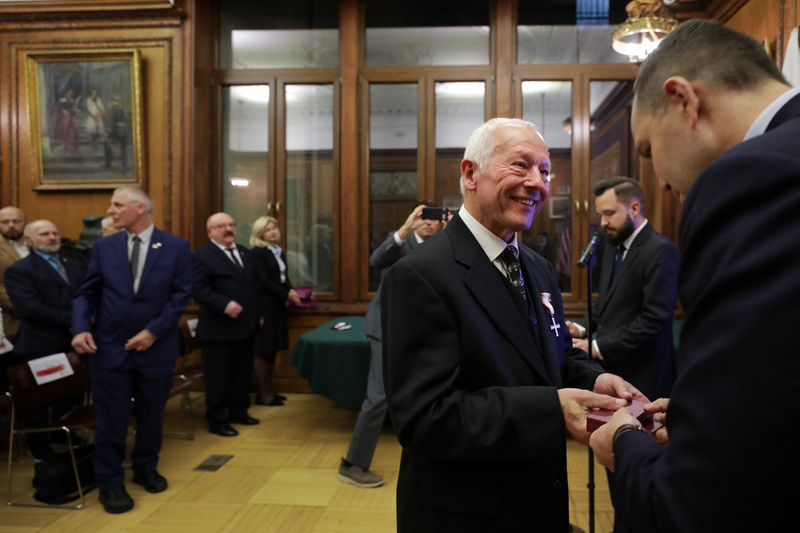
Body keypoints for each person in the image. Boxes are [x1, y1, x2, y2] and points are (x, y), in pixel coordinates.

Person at [588, 19, 800, 533]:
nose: (657, 176)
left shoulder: (747, 178)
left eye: (646, 149)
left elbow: (696, 501)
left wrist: (621, 439)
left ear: (684, 101)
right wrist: (695, 411)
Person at [381, 117, 643, 532]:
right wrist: (551, 411)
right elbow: (424, 418)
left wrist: (595, 380)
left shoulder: (537, 268)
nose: (538, 183)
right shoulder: (420, 276)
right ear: (471, 173)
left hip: (539, 500)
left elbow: (548, 357)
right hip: (466, 513)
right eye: (520, 166)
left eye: (545, 170)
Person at [567, 176, 679, 533]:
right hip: (615, 381)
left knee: (639, 480)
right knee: (616, 473)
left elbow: (653, 319)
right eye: (600, 214)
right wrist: (582, 329)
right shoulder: (615, 248)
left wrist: (596, 347)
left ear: (634, 208)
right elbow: (609, 306)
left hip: (646, 381)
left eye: (609, 213)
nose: (602, 223)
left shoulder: (660, 250)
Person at [72, 186, 192, 514]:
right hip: (109, 348)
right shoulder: (104, 247)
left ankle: (145, 468)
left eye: (117, 205)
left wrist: (153, 331)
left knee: (152, 415)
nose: (110, 211)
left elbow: (180, 295)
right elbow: (86, 294)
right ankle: (110, 483)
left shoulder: (176, 246)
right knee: (111, 419)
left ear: (140, 208)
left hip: (156, 349)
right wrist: (81, 326)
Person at [338, 201, 444, 489]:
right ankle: (353, 464)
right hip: (387, 330)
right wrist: (405, 229)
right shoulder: (400, 243)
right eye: (423, 216)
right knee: (379, 398)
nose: (429, 222)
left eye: (435, 218)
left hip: (421, 334)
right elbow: (376, 261)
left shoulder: (444, 247)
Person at [6, 220, 85, 460]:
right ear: (29, 240)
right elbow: (30, 309)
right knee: (39, 402)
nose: (52, 237)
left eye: (55, 232)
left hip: (71, 341)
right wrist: (75, 319)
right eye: (44, 234)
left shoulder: (72, 265)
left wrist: (84, 318)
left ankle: (62, 434)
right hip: (41, 344)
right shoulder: (20, 270)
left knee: (69, 396)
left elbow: (84, 296)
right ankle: (39, 446)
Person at [192, 212, 263, 437]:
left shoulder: (245, 253)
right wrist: (224, 305)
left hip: (246, 326)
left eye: (231, 224)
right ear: (210, 231)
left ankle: (238, 412)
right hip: (218, 329)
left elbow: (254, 286)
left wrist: (258, 313)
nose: (228, 229)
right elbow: (198, 289)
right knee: (218, 378)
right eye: (221, 226)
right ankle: (217, 420)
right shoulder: (201, 256)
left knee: (242, 374)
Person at [249, 215, 300, 406]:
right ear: (260, 233)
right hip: (264, 306)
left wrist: (291, 291)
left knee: (272, 350)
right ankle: (262, 394)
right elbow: (263, 280)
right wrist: (285, 294)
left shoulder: (277, 251)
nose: (273, 232)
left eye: (274, 228)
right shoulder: (258, 252)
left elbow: (282, 277)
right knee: (263, 350)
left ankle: (269, 390)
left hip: (277, 306)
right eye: (268, 229)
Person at [0, 206, 29, 339]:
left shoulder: (37, 243)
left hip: (45, 323)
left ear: (25, 223)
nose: (11, 225)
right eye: (5, 222)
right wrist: (25, 306)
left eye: (16, 221)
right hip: (10, 321)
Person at [106, 97, 128, 172]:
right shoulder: (123, 109)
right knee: (123, 150)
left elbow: (112, 123)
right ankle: (124, 166)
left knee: (106, 144)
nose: (109, 104)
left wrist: (108, 131)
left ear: (112, 103)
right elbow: (126, 119)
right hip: (124, 131)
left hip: (117, 131)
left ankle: (108, 163)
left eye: (110, 103)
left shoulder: (113, 110)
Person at [55, 88, 80, 153]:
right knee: (66, 134)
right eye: (69, 93)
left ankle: (76, 149)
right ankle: (66, 148)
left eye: (71, 93)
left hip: (70, 119)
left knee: (76, 133)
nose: (70, 94)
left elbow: (74, 110)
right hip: (65, 119)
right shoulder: (62, 100)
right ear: (66, 93)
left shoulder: (72, 100)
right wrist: (65, 112)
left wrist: (76, 112)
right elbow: (61, 110)